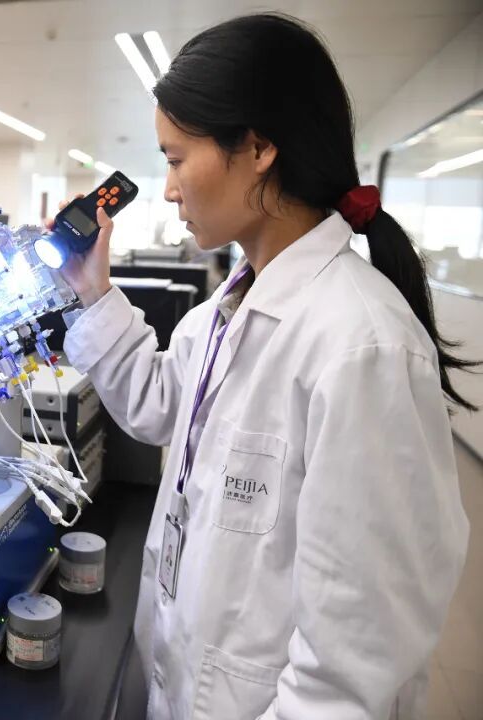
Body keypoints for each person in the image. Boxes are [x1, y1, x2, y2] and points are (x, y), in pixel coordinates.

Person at [56, 13, 473, 720]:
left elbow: (352, 664)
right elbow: (161, 405)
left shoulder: (362, 347)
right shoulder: (229, 308)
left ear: (257, 147)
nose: (168, 189)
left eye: (176, 159)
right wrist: (92, 290)